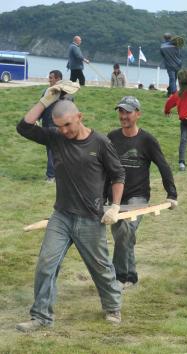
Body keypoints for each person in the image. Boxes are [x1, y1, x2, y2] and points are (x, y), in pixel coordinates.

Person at [16, 91, 125, 332]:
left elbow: (118, 175)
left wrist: (115, 207)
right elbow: (23, 127)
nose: (64, 131)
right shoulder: (55, 138)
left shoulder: (100, 143)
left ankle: (112, 306)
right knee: (46, 264)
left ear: (79, 117)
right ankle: (41, 317)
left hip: (90, 218)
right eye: (59, 126)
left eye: (67, 125)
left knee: (101, 267)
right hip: (61, 216)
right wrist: (45, 101)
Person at [105, 96, 178, 288]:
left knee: (124, 232)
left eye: (128, 112)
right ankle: (131, 276)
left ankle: (119, 277)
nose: (123, 116)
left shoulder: (147, 140)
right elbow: (101, 168)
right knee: (124, 235)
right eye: (121, 111)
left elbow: (163, 166)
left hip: (138, 198)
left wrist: (172, 194)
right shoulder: (111, 138)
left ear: (138, 114)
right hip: (114, 199)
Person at [38, 70, 69, 182]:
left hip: (57, 126)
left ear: (58, 79)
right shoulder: (46, 91)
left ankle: (51, 176)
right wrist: (37, 118)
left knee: (53, 150)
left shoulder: (65, 93)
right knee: (52, 150)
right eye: (49, 77)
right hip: (47, 125)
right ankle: (57, 175)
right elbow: (41, 106)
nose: (49, 79)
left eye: (51, 78)